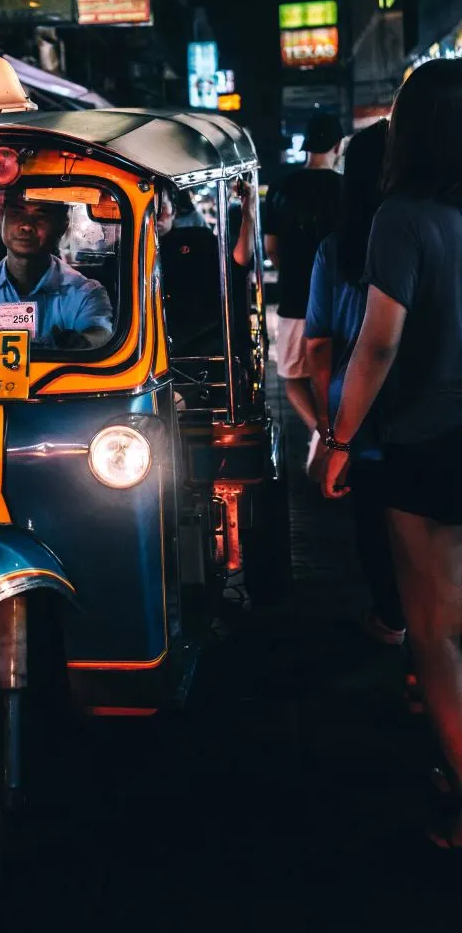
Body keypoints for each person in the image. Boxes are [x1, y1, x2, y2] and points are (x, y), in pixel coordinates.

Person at [322, 60, 462, 848]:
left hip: (430, 442)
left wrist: (338, 442)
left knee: (436, 630)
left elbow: (376, 347)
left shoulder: (402, 217)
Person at [304, 121, 405, 646]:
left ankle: (391, 617)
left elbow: (319, 344)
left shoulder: (335, 248)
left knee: (372, 521)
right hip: (414, 408)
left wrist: (329, 425)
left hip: (356, 411)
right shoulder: (427, 232)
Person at [265, 112, 343, 472]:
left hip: (295, 298)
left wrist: (293, 274)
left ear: (306, 145)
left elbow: (271, 248)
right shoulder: (347, 189)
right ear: (338, 146)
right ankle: (339, 434)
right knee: (337, 373)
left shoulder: (281, 188)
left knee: (292, 377)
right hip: (339, 301)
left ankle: (321, 431)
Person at [0, 191, 113, 349]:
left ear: (62, 225)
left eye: (40, 215)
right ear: (2, 219)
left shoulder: (85, 293)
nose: (26, 225)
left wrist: (82, 342)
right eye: (17, 212)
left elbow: (100, 333)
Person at [157, 180, 256, 360]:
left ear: (174, 211)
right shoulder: (126, 252)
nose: (157, 216)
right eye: (150, 208)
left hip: (199, 350)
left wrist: (248, 213)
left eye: (161, 206)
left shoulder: (198, 240)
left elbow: (237, 265)